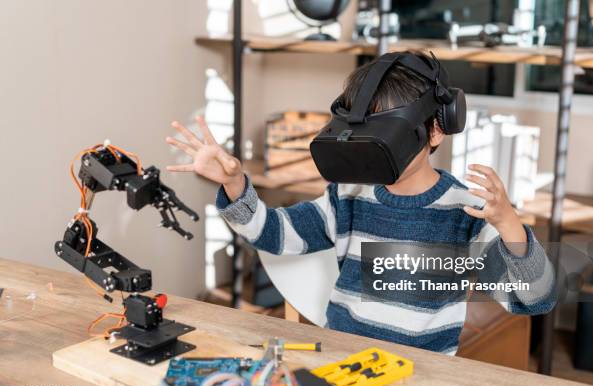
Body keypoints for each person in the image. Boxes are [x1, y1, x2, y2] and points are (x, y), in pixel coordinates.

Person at [166, 54, 554, 355]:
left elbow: (534, 299)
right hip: (344, 359)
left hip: (424, 374)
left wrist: (509, 226)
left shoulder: (466, 211)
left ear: (436, 130)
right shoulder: (348, 196)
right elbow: (274, 234)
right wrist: (235, 185)